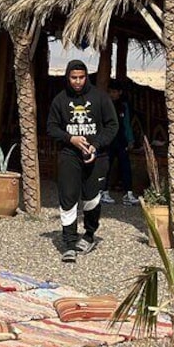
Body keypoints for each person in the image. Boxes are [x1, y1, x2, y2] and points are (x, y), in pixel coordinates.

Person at [46, 60, 118, 263]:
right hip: (69, 156)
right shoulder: (60, 101)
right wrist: (71, 139)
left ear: (86, 77)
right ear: (67, 77)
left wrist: (96, 145)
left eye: (81, 77)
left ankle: (88, 235)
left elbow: (112, 126)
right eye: (73, 77)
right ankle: (68, 243)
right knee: (68, 198)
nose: (77, 82)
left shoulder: (100, 98)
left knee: (92, 198)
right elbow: (51, 127)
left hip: (97, 156)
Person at [101, 80, 138, 206]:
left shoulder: (123, 106)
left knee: (125, 167)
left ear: (120, 93)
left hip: (121, 141)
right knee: (106, 167)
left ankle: (128, 193)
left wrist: (130, 139)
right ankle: (103, 192)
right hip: (108, 142)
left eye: (114, 92)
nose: (112, 94)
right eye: (110, 92)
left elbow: (127, 124)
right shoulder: (105, 105)